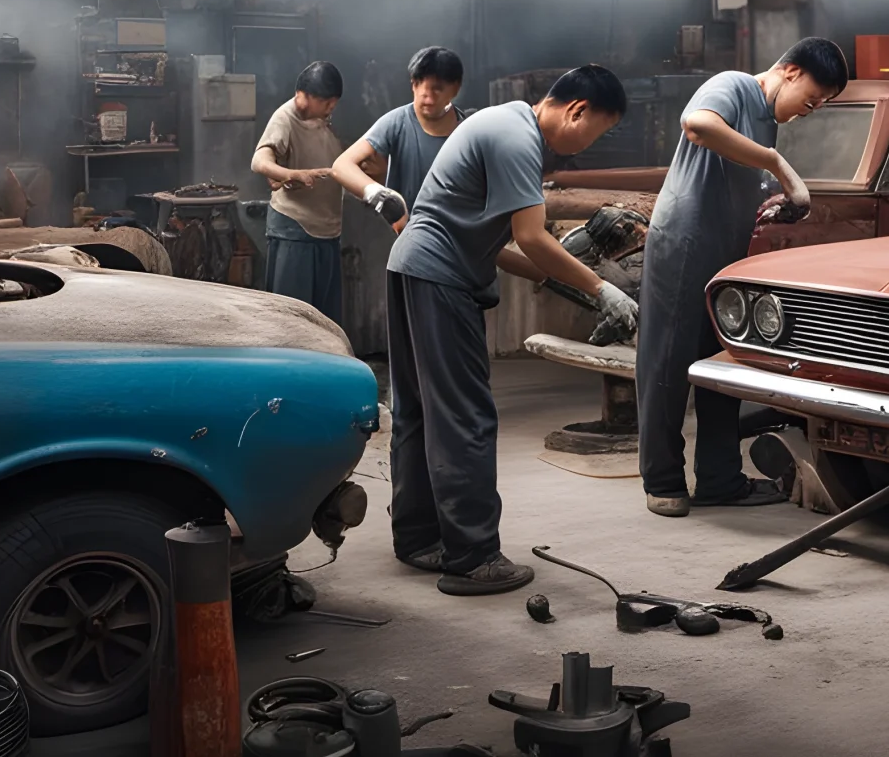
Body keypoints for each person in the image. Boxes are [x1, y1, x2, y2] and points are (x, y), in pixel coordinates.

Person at [384, 65, 641, 596]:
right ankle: (473, 556)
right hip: (439, 277)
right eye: (599, 130)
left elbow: (502, 247)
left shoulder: (500, 125)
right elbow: (532, 235)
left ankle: (418, 538)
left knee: (417, 411)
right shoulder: (518, 139)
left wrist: (574, 286)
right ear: (577, 111)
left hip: (410, 268)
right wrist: (601, 289)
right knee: (465, 418)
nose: (591, 143)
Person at [638, 37, 850, 518]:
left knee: (720, 370)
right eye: (812, 99)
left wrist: (775, 202)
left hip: (725, 255)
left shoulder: (767, 121)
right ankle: (663, 480)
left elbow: (736, 171)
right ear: (790, 72)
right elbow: (697, 126)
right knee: (667, 366)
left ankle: (719, 479)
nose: (810, 110)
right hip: (685, 246)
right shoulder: (734, 86)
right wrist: (776, 164)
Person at [332, 46, 467, 232]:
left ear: (455, 89)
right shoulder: (396, 122)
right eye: (419, 83)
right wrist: (381, 196)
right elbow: (342, 166)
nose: (426, 94)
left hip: (456, 236)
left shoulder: (468, 131)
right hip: (406, 237)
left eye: (437, 88)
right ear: (412, 84)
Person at [252, 61, 346, 325]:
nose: (330, 109)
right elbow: (260, 161)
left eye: (333, 103)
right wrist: (290, 174)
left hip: (328, 232)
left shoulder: (324, 121)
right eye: (326, 102)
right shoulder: (285, 118)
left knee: (326, 323)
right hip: (295, 231)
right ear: (303, 95)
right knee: (293, 322)